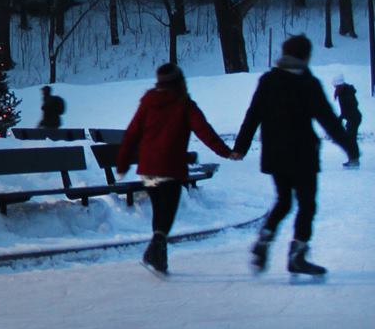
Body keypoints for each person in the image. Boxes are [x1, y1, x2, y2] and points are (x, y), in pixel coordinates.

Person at [235, 35, 359, 276]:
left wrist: (241, 146)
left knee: (283, 201)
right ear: (305, 56)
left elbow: (253, 114)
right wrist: (350, 147)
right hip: (303, 154)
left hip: (275, 154)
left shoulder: (268, 80)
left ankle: (265, 238)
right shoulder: (308, 83)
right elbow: (328, 120)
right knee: (306, 204)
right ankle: (298, 254)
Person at [117, 63, 237, 275]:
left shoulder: (148, 103)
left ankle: (159, 257)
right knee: (168, 210)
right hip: (170, 168)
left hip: (149, 169)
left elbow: (132, 132)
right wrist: (226, 152)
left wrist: (123, 163)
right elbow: (204, 131)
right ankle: (154, 251)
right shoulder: (184, 104)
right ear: (180, 82)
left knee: (159, 210)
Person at [332, 77, 363, 168]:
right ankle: (354, 159)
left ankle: (354, 160)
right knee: (350, 139)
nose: (334, 87)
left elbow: (350, 107)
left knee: (350, 139)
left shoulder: (345, 93)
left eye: (335, 85)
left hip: (354, 118)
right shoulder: (344, 91)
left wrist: (342, 117)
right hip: (352, 118)